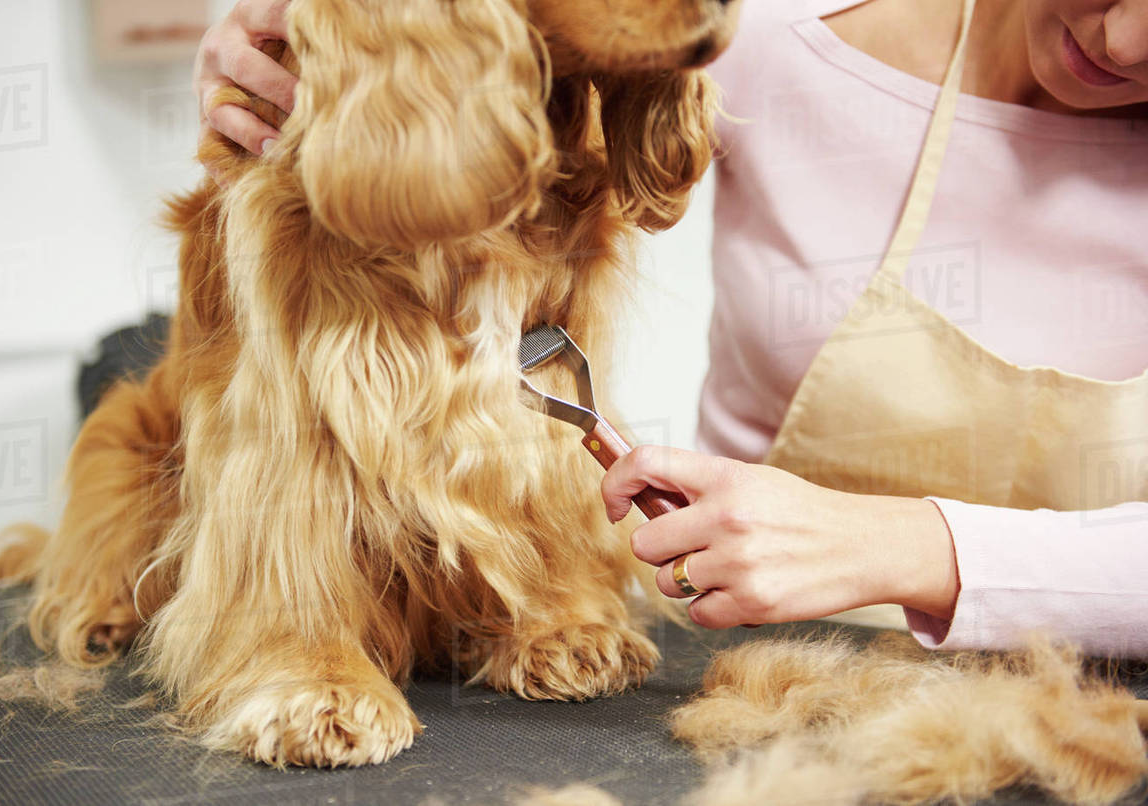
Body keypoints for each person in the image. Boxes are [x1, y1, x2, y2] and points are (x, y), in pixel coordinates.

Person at [193, 0, 1148, 657]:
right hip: (743, 669)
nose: (1122, 40)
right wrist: (298, 36)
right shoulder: (780, 28)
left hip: (1106, 702)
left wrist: (901, 549)